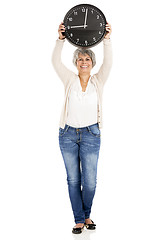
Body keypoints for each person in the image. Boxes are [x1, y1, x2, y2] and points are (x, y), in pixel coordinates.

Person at [52, 22, 112, 234]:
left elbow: (109, 62)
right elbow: (55, 62)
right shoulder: (69, 79)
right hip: (67, 134)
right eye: (80, 59)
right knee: (73, 180)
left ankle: (87, 214)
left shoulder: (98, 81)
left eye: (87, 59)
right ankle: (80, 219)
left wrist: (106, 39)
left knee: (90, 182)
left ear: (92, 63)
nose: (84, 62)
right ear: (76, 62)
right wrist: (60, 40)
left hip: (91, 134)